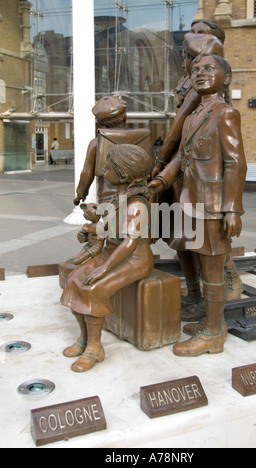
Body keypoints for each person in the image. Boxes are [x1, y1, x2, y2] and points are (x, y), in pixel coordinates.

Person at [148, 54, 247, 357]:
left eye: (208, 69)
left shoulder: (226, 114)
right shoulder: (192, 116)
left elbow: (235, 163)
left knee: (214, 271)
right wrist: (162, 181)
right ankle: (210, 321)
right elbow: (181, 158)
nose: (200, 73)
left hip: (213, 207)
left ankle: (213, 333)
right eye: (195, 70)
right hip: (191, 204)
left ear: (226, 77)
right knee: (203, 267)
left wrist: (231, 209)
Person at [61, 144, 154, 373]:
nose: (103, 170)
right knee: (74, 280)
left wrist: (103, 269)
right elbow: (105, 228)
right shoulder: (119, 197)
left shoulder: (136, 204)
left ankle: (95, 347)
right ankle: (84, 338)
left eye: (108, 166)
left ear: (122, 174)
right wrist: (89, 231)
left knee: (94, 289)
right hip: (113, 254)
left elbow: (130, 244)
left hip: (135, 259)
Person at [74, 95, 152, 206]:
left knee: (111, 223)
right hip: (137, 194)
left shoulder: (96, 143)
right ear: (125, 117)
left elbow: (87, 174)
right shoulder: (142, 137)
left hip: (108, 197)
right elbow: (150, 166)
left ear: (100, 122)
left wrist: (80, 195)